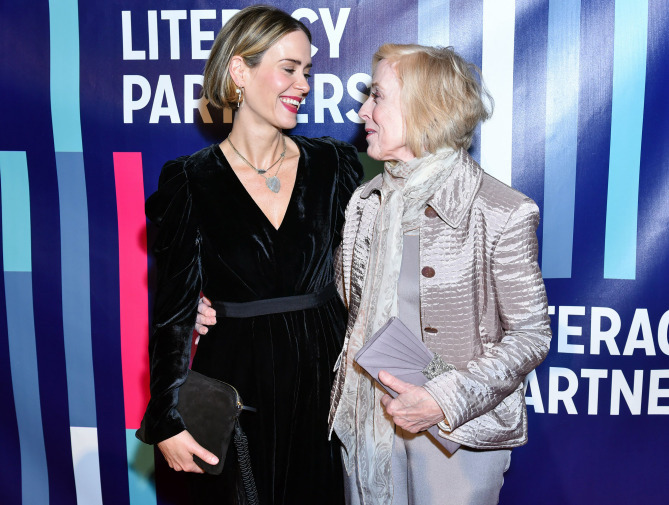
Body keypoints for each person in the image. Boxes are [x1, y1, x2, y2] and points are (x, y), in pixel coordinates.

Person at [137, 6, 363, 505]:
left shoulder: (334, 164)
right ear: (240, 71)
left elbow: (375, 263)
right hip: (236, 381)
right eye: (289, 69)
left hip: (324, 381)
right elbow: (172, 317)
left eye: (307, 71)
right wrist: (167, 418)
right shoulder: (190, 180)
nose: (303, 85)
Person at [326, 44, 552, 505]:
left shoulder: (500, 211)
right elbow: (340, 301)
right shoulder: (366, 204)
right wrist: (210, 302)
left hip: (457, 437)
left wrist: (444, 399)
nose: (363, 111)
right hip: (370, 423)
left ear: (423, 108)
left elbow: (531, 335)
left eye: (377, 96)